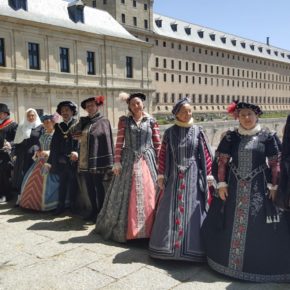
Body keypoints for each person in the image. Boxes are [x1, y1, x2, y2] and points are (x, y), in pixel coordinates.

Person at [202, 101, 290, 282]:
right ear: (238, 117)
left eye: (250, 114)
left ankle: (254, 265)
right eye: (242, 115)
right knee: (229, 218)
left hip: (258, 187)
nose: (247, 118)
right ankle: (226, 263)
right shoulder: (231, 137)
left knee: (258, 223)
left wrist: (274, 186)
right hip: (233, 187)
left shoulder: (268, 136)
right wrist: (222, 184)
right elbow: (222, 161)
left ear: (257, 115)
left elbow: (275, 163)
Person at [149, 97, 213, 262]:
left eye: (190, 110)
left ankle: (193, 250)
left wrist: (209, 176)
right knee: (168, 209)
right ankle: (166, 250)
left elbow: (205, 154)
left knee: (194, 209)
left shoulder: (198, 131)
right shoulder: (170, 132)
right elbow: (163, 154)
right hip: (173, 176)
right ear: (176, 113)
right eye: (183, 111)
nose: (187, 114)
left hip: (193, 176)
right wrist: (161, 174)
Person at [95, 92, 161, 242]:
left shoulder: (151, 121)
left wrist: (160, 163)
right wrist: (117, 161)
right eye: (133, 104)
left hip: (147, 159)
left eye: (138, 103)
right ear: (129, 106)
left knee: (150, 193)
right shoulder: (124, 121)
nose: (136, 106)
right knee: (125, 194)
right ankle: (128, 231)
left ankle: (149, 231)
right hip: (128, 159)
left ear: (143, 104)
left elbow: (157, 143)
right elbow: (119, 142)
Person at [71, 96, 114, 222]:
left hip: (98, 160)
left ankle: (100, 212)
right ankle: (93, 210)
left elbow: (106, 140)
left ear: (97, 106)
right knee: (89, 186)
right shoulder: (85, 122)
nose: (90, 108)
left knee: (98, 186)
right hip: (85, 160)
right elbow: (72, 133)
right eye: (87, 106)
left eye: (92, 105)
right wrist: (80, 122)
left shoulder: (103, 121)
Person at [19, 114, 61, 211]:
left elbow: (58, 148)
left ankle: (49, 204)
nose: (46, 124)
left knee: (50, 181)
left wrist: (48, 152)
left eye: (48, 122)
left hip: (51, 160)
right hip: (40, 160)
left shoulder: (56, 135)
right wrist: (38, 151)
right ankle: (31, 203)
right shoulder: (44, 134)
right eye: (44, 122)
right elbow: (40, 146)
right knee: (31, 179)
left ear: (53, 122)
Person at [45, 101, 79, 215]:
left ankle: (73, 206)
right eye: (63, 111)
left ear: (72, 112)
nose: (65, 113)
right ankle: (61, 206)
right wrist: (50, 161)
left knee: (74, 183)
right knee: (62, 184)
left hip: (74, 160)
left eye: (67, 110)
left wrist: (77, 153)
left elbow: (81, 141)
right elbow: (54, 145)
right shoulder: (58, 127)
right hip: (61, 160)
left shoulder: (77, 124)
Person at [12, 108, 43, 194]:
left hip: (35, 155)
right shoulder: (22, 126)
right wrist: (15, 154)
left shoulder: (40, 126)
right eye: (29, 115)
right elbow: (17, 141)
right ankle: (23, 195)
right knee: (24, 174)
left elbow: (43, 139)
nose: (31, 117)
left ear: (36, 116)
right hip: (23, 155)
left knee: (34, 175)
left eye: (33, 115)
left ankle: (34, 195)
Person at [0, 103, 18, 203]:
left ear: (6, 114)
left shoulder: (13, 124)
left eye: (1, 113)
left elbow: (17, 139)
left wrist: (10, 144)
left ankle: (7, 194)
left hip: (7, 153)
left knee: (5, 174)